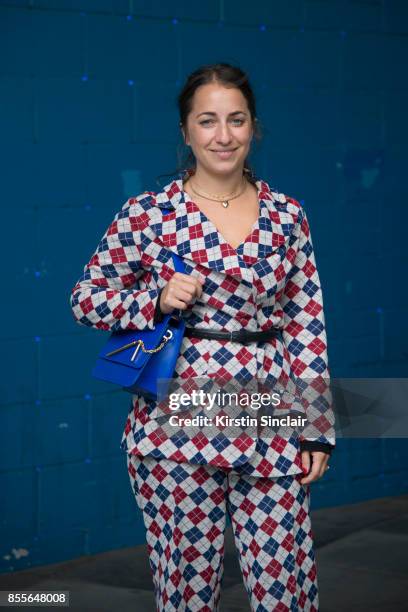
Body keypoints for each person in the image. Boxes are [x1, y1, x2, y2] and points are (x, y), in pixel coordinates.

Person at [70, 62, 335, 612]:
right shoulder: (149, 214)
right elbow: (86, 299)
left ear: (253, 127)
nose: (223, 135)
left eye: (236, 120)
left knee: (284, 580)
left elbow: (306, 322)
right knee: (186, 588)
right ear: (186, 130)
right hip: (175, 426)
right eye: (208, 121)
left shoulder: (288, 217)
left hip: (269, 416)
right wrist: (154, 299)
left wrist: (317, 429)